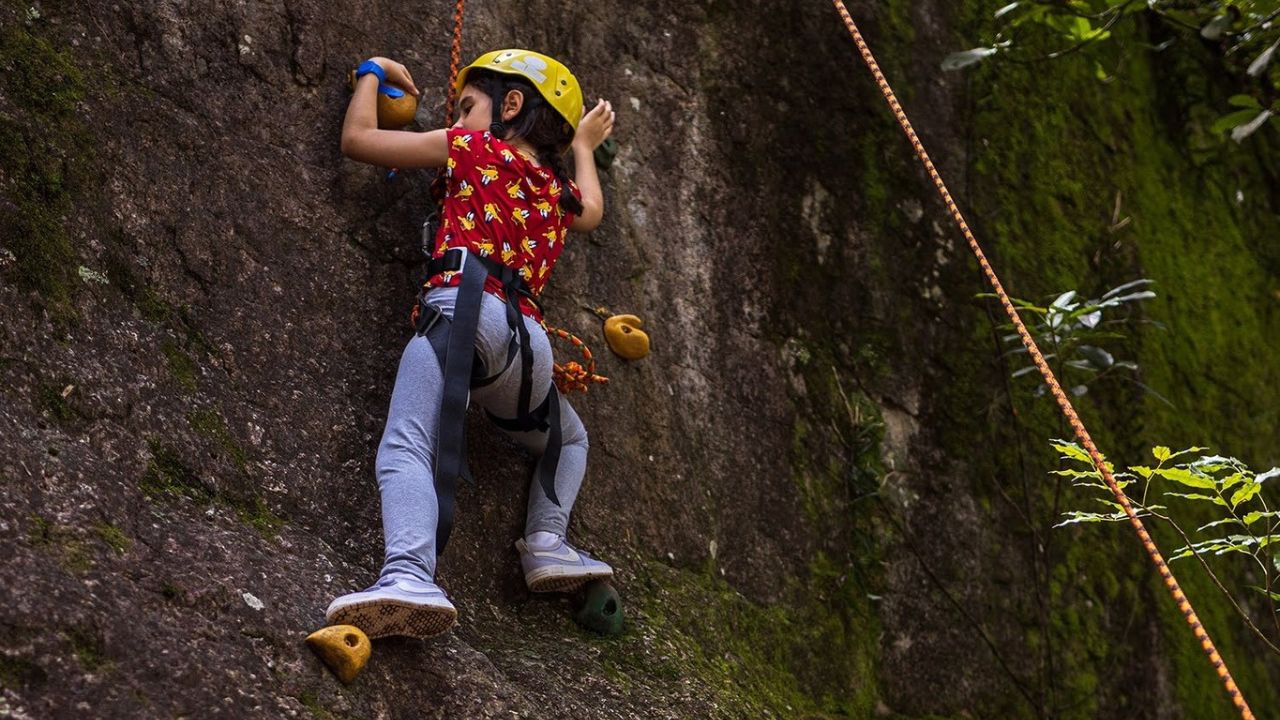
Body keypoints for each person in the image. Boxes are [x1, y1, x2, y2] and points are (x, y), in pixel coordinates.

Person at [325, 50, 616, 640]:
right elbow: (593, 212)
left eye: (466, 106)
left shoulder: (471, 148)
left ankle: (409, 574)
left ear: (510, 105)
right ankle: (546, 541)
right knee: (570, 438)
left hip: (464, 313)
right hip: (529, 349)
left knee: (408, 441)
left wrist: (372, 75)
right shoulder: (558, 191)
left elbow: (357, 139)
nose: (455, 119)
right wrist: (584, 147)